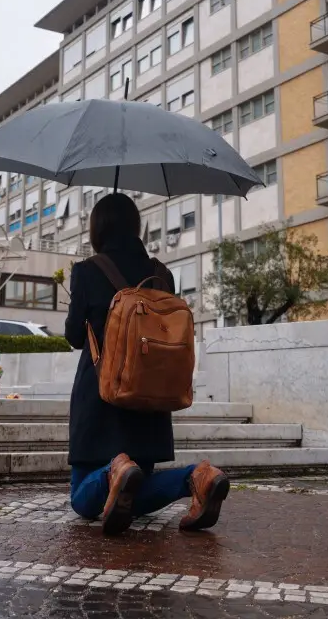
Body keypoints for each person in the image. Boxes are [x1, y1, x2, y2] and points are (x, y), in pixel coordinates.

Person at [64, 193, 229, 535]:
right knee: (134, 491)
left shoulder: (86, 271)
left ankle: (114, 472)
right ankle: (197, 477)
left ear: (97, 229)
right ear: (135, 226)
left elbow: (74, 337)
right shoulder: (160, 273)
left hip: (102, 399)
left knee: (82, 500)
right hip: (151, 400)